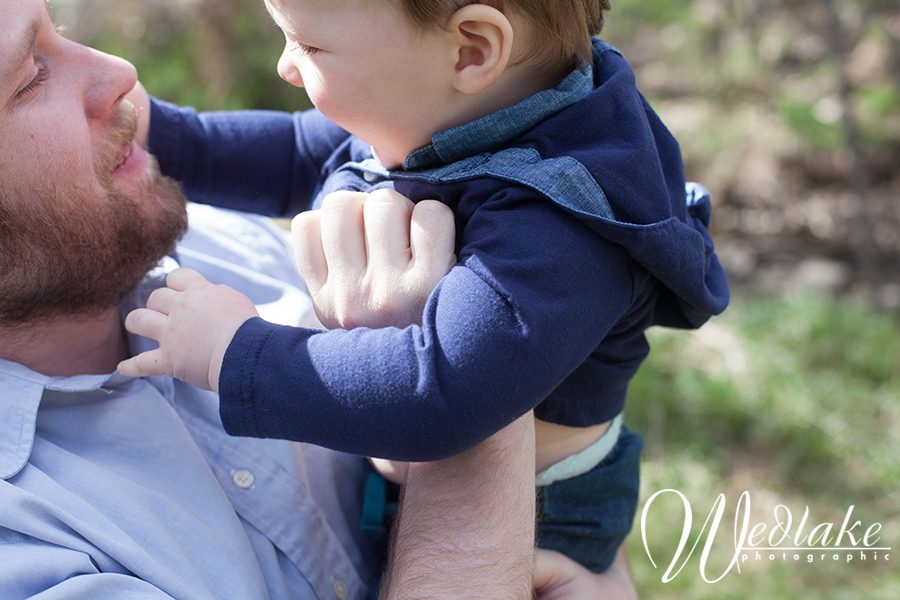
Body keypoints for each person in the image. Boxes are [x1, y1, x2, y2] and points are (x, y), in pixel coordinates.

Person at [119, 0, 730, 575]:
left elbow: (436, 390)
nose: (285, 66)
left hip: (539, 526)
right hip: (405, 460)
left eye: (306, 43)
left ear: (470, 51)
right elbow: (301, 153)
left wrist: (233, 353)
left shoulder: (560, 224)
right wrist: (158, 134)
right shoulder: (450, 110)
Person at [0, 1, 540, 596]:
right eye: (29, 78)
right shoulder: (22, 551)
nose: (119, 70)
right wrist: (463, 362)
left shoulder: (231, 246)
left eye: (64, 30)